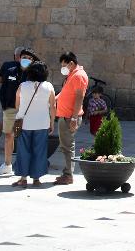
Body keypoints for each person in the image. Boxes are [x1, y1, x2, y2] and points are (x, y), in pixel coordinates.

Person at [0, 48, 37, 175]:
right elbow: (3, 89)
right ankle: (7, 165)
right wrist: (5, 106)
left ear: (32, 61)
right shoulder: (11, 71)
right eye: (24, 57)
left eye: (29, 58)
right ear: (19, 58)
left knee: (25, 138)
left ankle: (26, 165)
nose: (26, 60)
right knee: (8, 136)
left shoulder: (34, 75)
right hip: (10, 109)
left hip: (26, 111)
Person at [12, 60, 56, 188]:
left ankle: (23, 178)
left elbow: (17, 104)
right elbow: (53, 106)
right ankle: (36, 178)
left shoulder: (22, 86)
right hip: (42, 123)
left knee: (23, 150)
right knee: (40, 151)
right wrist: (52, 122)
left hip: (25, 123)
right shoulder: (49, 86)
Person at [54, 52, 89, 185]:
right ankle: (66, 173)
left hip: (70, 117)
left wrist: (74, 118)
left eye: (64, 65)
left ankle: (68, 175)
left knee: (68, 147)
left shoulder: (79, 76)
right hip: (65, 116)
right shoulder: (72, 75)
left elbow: (79, 97)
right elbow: (65, 93)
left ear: (71, 63)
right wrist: (55, 99)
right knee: (65, 146)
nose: (63, 67)